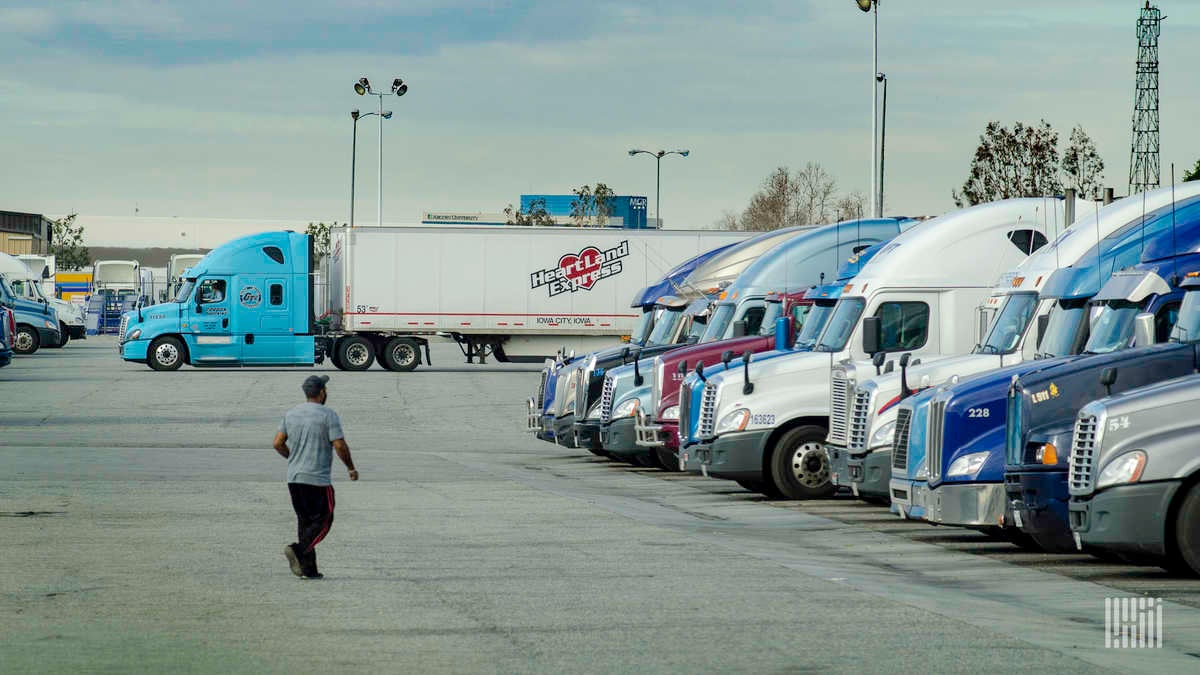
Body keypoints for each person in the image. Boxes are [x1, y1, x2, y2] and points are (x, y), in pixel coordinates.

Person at [273, 375, 358, 579]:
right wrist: (350, 468)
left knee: (305, 522)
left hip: (294, 478)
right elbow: (339, 445)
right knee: (324, 520)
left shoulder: (291, 413)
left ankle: (309, 570)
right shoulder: (328, 415)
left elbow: (277, 443)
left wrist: (293, 457)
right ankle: (299, 550)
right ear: (321, 392)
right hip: (317, 480)